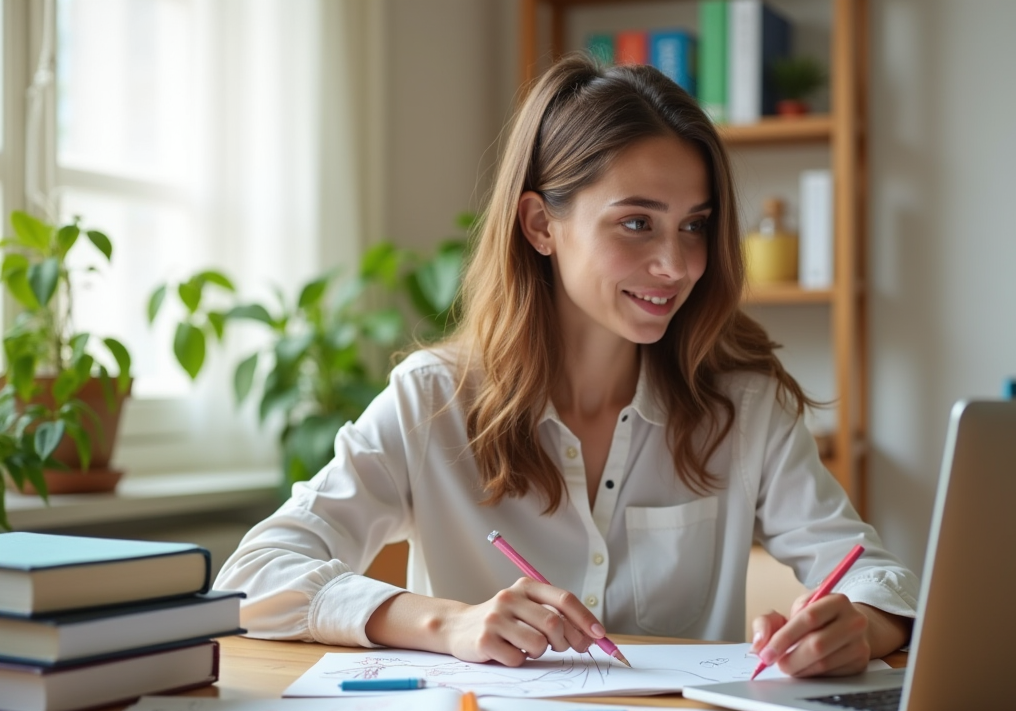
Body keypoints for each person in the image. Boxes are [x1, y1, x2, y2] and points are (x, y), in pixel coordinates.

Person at [214, 54, 918, 678]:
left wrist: (858, 628)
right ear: (540, 225)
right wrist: (445, 623)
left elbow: (879, 580)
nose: (676, 265)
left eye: (695, 225)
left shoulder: (744, 406)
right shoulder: (433, 400)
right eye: (636, 223)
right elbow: (254, 575)